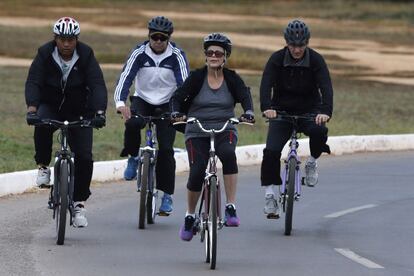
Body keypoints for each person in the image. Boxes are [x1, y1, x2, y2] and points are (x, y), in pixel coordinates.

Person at [170, 33, 255, 241]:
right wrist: (176, 112)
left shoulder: (232, 78)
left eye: (218, 53)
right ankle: (190, 216)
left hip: (225, 127)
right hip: (196, 129)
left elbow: (245, 96)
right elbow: (177, 98)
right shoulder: (197, 78)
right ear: (205, 55)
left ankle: (230, 207)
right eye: (210, 52)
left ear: (225, 56)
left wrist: (249, 112)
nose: (214, 56)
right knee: (198, 170)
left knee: (228, 154)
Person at [25, 17, 108, 227]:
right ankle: (43, 166)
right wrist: (32, 108)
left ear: (77, 39)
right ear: (55, 38)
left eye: (71, 39)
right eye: (62, 39)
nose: (67, 44)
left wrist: (99, 112)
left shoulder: (86, 54)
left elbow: (97, 84)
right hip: (50, 104)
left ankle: (79, 204)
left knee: (84, 156)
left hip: (80, 108)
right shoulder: (45, 53)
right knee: (42, 124)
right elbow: (34, 80)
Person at [114, 16, 189, 215]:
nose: (157, 41)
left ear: (168, 38)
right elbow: (126, 78)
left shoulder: (177, 55)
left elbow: (185, 85)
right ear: (148, 36)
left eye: (162, 38)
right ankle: (132, 156)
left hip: (168, 103)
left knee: (166, 150)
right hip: (143, 99)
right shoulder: (139, 53)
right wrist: (121, 104)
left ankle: (167, 196)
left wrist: (182, 111)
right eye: (154, 37)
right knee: (132, 124)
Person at [260, 19, 333, 218]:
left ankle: (311, 162)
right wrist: (267, 108)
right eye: (293, 45)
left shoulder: (316, 60)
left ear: (307, 43)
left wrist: (325, 111)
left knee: (319, 131)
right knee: (271, 151)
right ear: (287, 42)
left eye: (301, 45)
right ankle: (269, 195)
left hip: (310, 111)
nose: (297, 50)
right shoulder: (276, 59)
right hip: (281, 112)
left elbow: (326, 87)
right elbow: (265, 85)